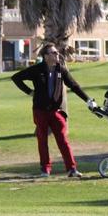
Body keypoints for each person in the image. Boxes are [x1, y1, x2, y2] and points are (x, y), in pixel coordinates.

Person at [11, 43, 97, 177]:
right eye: (54, 53)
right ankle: (45, 169)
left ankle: (71, 169)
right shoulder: (36, 70)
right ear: (46, 56)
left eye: (56, 52)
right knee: (42, 140)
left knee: (63, 140)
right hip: (40, 111)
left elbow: (74, 86)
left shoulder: (60, 70)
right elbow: (16, 78)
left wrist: (88, 100)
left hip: (56, 111)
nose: (57, 54)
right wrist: (29, 92)